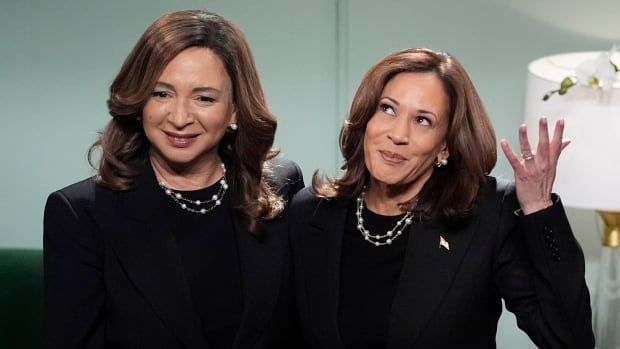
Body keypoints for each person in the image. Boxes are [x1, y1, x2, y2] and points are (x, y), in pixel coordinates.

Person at [290, 48, 594, 348]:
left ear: (444, 146)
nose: (398, 134)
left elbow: (568, 339)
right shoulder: (310, 213)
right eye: (387, 109)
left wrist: (539, 208)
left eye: (422, 120)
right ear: (365, 118)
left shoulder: (488, 215)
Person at [43, 10, 303, 349]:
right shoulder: (81, 213)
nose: (179, 118)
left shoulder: (282, 187)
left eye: (204, 98)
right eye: (161, 94)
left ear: (235, 109)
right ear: (138, 100)